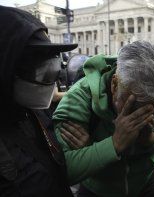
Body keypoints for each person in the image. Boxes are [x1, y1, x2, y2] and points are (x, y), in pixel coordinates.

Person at [53, 41, 154, 197]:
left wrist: (151, 140)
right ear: (115, 84)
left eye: (151, 107)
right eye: (131, 103)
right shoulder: (80, 97)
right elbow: (61, 172)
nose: (138, 115)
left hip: (147, 180)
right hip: (98, 188)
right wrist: (114, 144)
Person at [0, 6, 78, 196]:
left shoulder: (33, 111)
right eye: (35, 68)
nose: (48, 82)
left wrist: (77, 148)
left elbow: (57, 171)